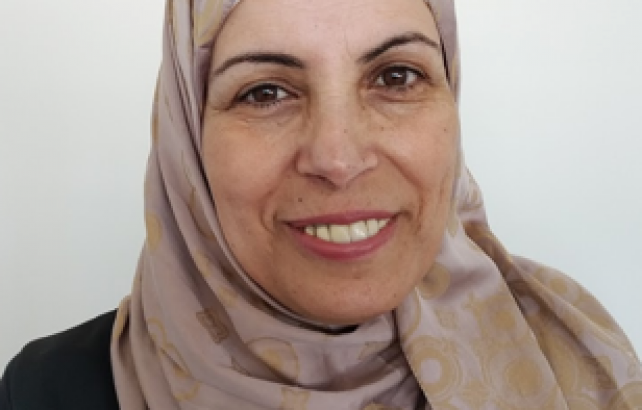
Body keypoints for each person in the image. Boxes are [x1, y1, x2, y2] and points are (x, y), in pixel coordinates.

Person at [2, 0, 641, 408]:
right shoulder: (47, 391)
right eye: (265, 92)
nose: (339, 158)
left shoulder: (569, 350)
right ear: (186, 139)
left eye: (396, 76)